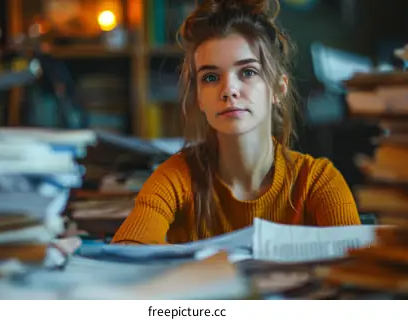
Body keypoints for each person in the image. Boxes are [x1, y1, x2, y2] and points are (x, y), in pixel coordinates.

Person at [112, 0, 360, 245]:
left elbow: (359, 270)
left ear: (277, 88)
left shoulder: (318, 181)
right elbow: (123, 258)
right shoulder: (176, 178)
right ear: (199, 96)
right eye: (210, 77)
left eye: (248, 72)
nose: (229, 89)